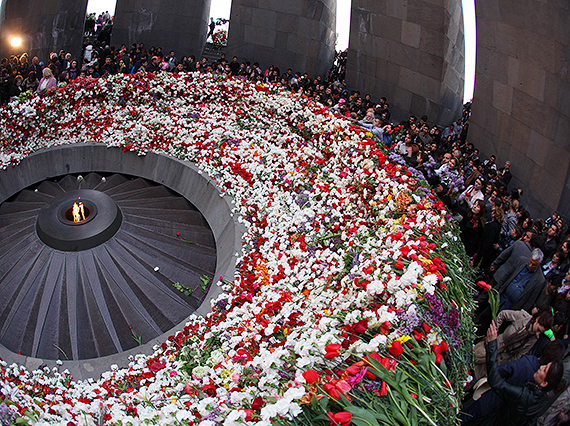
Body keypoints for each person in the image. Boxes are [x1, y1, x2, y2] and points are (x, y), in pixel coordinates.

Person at [483, 320, 563, 426]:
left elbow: (496, 382)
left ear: (544, 383)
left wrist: (492, 344)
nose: (541, 367)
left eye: (544, 370)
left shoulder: (526, 395)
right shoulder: (540, 401)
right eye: (545, 366)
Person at [473, 309, 553, 380]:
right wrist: (494, 332)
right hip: (493, 344)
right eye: (538, 329)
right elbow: (503, 314)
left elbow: (519, 354)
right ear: (537, 319)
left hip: (500, 359)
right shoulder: (523, 317)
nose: (537, 333)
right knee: (473, 357)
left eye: (540, 332)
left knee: (477, 376)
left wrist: (505, 363)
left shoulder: (533, 339)